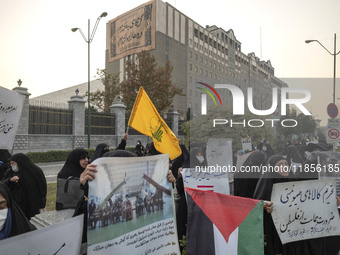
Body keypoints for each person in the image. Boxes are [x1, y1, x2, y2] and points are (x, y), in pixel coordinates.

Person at [253, 155, 295, 255]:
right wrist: (263, 205)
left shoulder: (294, 182)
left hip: (292, 232)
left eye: (286, 163)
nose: (284, 166)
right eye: (280, 165)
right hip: (273, 232)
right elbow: (255, 205)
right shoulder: (266, 185)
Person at [2, 153, 47, 220]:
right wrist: (10, 180)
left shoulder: (35, 171)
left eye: (13, 163)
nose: (11, 166)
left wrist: (42, 203)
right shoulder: (10, 172)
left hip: (32, 203)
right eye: (11, 164)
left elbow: (42, 187)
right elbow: (3, 184)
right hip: (17, 204)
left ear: (20, 162)